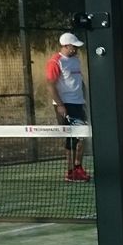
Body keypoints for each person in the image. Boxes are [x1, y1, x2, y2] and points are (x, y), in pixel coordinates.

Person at [46, 31, 89, 182]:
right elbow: (50, 85)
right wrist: (60, 105)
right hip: (66, 105)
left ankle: (78, 168)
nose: (76, 49)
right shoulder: (55, 62)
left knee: (83, 135)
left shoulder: (76, 60)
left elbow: (79, 81)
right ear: (65, 46)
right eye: (73, 46)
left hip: (79, 103)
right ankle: (71, 171)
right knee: (72, 137)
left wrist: (85, 98)